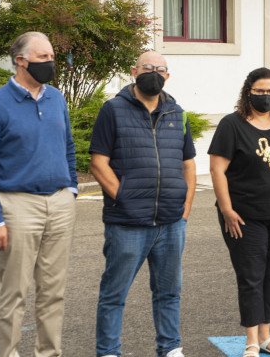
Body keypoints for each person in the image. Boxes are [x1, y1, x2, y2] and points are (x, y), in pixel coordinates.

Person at [0, 31, 78, 357]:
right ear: (21, 61)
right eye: (43, 58)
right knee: (14, 293)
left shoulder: (56, 98)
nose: (51, 63)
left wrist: (71, 189)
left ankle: (49, 353)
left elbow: (69, 149)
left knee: (53, 292)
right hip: (17, 207)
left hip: (59, 204)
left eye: (51, 57)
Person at [89, 51, 196, 357]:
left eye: (160, 69)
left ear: (168, 75)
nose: (154, 73)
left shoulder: (178, 113)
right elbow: (98, 163)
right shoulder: (112, 110)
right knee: (114, 293)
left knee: (169, 292)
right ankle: (108, 351)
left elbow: (188, 164)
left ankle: (171, 348)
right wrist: (123, 199)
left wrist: (185, 209)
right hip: (127, 223)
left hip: (171, 223)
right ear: (133, 71)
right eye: (147, 68)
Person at [209, 67, 270, 357]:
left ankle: (266, 336)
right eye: (259, 91)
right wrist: (227, 209)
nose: (265, 96)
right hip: (243, 217)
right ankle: (251, 340)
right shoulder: (232, 125)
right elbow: (217, 169)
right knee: (251, 276)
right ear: (248, 92)